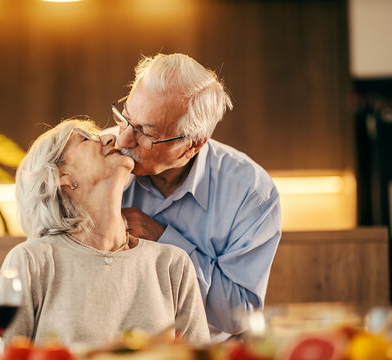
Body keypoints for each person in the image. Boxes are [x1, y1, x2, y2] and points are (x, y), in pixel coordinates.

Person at [0, 118, 210, 356]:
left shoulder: (172, 264)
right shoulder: (33, 260)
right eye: (86, 140)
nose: (110, 138)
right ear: (61, 178)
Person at [112, 53, 282, 341]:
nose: (124, 139)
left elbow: (238, 313)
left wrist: (163, 239)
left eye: (145, 133)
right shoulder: (98, 158)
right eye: (125, 118)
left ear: (192, 145)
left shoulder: (251, 192)